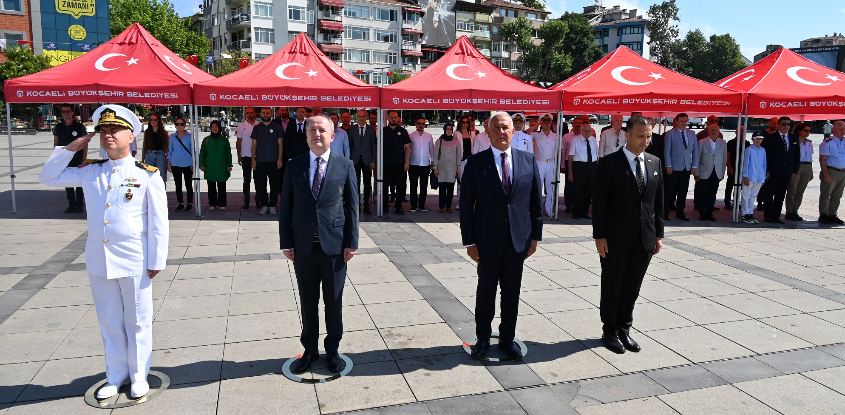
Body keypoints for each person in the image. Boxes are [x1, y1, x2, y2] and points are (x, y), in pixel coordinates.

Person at [39, 104, 168, 399]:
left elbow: (159, 222)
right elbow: (48, 177)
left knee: (137, 320)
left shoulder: (147, 175)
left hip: (135, 258)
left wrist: (157, 259)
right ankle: (116, 374)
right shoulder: (90, 171)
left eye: (114, 130)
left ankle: (138, 375)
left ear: (131, 137)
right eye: (103, 131)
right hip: (100, 259)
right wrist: (70, 147)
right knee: (109, 319)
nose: (107, 135)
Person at [460, 112, 543, 360]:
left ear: (514, 131)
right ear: (488, 133)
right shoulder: (476, 163)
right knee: (485, 292)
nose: (501, 132)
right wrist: (470, 240)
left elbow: (535, 202)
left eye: (505, 127)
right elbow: (466, 205)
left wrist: (535, 237)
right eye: (495, 128)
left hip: (518, 241)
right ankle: (483, 339)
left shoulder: (527, 160)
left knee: (511, 292)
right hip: (486, 241)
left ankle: (508, 338)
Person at [280, 115, 359, 374]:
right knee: (308, 301)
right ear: (305, 135)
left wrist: (351, 242)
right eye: (311, 129)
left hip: (335, 249)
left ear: (332, 136)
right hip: (303, 248)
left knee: (334, 302)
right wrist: (286, 241)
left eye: (322, 129)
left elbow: (352, 207)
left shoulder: (345, 165)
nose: (317, 133)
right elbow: (286, 207)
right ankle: (310, 350)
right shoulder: (294, 165)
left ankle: (333, 350)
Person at [592, 115, 663, 354]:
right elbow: (599, 203)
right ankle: (609, 331)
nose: (645, 140)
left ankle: (625, 328)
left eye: (649, 136)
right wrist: (599, 236)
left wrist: (658, 235)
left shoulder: (654, 162)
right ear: (628, 135)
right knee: (613, 286)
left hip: (644, 238)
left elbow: (657, 203)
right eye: (641, 136)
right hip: (615, 239)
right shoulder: (610, 163)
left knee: (632, 287)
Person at [761, 117, 800, 224]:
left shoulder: (794, 138)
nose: (786, 126)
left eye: (788, 124)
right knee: (769, 193)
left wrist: (794, 171)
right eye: (784, 124)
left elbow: (796, 156)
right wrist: (767, 170)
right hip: (773, 171)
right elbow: (765, 155)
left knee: (781, 194)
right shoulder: (770, 138)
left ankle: (776, 215)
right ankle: (768, 215)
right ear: (778, 125)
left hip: (787, 172)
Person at [53, 104, 88, 213]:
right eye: (63, 112)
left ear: (72, 112)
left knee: (78, 181)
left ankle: (80, 204)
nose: (65, 113)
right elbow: (56, 143)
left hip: (77, 157)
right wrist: (56, 157)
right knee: (67, 182)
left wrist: (84, 157)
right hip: (64, 158)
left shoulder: (79, 126)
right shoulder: (58, 127)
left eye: (67, 111)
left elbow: (85, 142)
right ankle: (71, 204)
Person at [663, 113, 698, 221]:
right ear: (676, 122)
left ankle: (680, 212)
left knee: (683, 191)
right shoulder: (670, 134)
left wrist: (694, 165)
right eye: (681, 121)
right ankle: (665, 212)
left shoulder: (692, 134)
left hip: (686, 167)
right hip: (673, 167)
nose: (684, 123)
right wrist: (668, 165)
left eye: (685, 121)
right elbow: (667, 150)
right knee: (669, 191)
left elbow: (695, 151)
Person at [252, 107, 284, 215]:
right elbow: (254, 145)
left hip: (274, 161)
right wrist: (253, 159)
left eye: (267, 113)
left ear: (271, 114)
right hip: (260, 161)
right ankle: (265, 205)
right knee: (261, 185)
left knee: (274, 185)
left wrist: (280, 159)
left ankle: (273, 205)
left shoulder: (277, 127)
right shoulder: (257, 128)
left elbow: (280, 145)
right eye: (264, 113)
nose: (265, 114)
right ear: (260, 114)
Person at [694, 124, 727, 221]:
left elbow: (724, 159)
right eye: (712, 130)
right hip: (704, 172)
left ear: (719, 132)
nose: (714, 132)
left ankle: (709, 212)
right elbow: (697, 158)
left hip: (716, 172)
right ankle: (702, 213)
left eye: (716, 130)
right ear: (708, 131)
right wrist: (696, 173)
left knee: (712, 194)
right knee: (703, 193)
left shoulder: (723, 143)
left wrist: (722, 173)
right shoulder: (701, 142)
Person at [200, 120, 232, 211]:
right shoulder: (206, 140)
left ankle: (222, 204)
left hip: (222, 166)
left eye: (216, 126)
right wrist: (202, 164)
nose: (214, 128)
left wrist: (229, 165)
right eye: (212, 126)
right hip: (210, 166)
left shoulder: (224, 140)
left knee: (222, 185)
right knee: (211, 186)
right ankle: (212, 204)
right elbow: (202, 153)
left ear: (219, 127)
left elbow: (228, 154)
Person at [383, 110, 411, 214]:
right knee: (385, 186)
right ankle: (384, 206)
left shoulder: (403, 131)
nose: (394, 119)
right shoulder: (383, 131)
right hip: (386, 164)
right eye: (392, 117)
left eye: (395, 117)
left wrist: (407, 162)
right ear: (388, 118)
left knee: (400, 186)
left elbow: (407, 147)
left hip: (400, 164)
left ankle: (398, 206)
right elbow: (378, 148)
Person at [568, 123, 598, 219]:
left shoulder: (593, 140)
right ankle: (575, 212)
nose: (588, 133)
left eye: (589, 131)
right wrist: (570, 172)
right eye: (586, 131)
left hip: (592, 165)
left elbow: (596, 155)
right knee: (577, 190)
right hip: (579, 166)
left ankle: (584, 211)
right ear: (581, 131)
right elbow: (571, 157)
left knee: (588, 190)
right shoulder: (575, 140)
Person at [349, 109, 377, 214]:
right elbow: (350, 145)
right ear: (357, 117)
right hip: (354, 159)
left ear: (366, 117)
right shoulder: (352, 129)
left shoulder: (371, 129)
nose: (361, 119)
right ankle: (355, 205)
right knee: (355, 183)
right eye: (359, 117)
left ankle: (366, 205)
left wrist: (373, 161)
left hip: (367, 160)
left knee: (367, 182)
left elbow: (373, 146)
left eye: (363, 116)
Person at [785, 122, 814, 221]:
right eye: (806, 130)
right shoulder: (794, 140)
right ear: (800, 130)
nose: (808, 132)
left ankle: (795, 211)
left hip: (807, 166)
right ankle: (789, 212)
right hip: (797, 166)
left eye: (809, 130)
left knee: (800, 191)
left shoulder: (809, 142)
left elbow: (810, 157)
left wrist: (811, 171)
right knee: (792, 189)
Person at [818, 121, 845, 225]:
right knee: (826, 193)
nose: (843, 131)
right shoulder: (828, 142)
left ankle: (832, 214)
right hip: (831, 171)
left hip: (842, 171)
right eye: (840, 129)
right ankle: (823, 214)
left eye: (844, 129)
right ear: (833, 130)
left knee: (837, 195)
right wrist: (826, 174)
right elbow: (822, 159)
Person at [532, 113, 558, 218]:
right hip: (540, 162)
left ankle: (548, 209)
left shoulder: (555, 135)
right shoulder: (536, 135)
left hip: (551, 162)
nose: (547, 124)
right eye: (545, 122)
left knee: (550, 187)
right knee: (538, 187)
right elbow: (524, 133)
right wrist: (537, 124)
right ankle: (537, 209)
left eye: (549, 122)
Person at [433, 122, 462, 213]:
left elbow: (458, 156)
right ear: (444, 130)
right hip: (442, 168)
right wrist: (435, 167)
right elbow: (436, 156)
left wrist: (458, 167)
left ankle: (448, 206)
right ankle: (442, 206)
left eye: (450, 129)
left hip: (452, 168)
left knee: (450, 189)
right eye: (447, 129)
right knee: (442, 188)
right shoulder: (439, 141)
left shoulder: (456, 141)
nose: (449, 131)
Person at [167, 118, 194, 212]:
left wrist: (193, 163)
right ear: (175, 125)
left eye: (181, 124)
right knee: (178, 184)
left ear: (185, 125)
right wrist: (168, 163)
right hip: (175, 163)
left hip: (187, 163)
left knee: (188, 184)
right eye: (177, 124)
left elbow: (193, 151)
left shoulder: (190, 136)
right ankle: (180, 203)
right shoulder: (172, 137)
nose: (179, 126)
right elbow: (170, 150)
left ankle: (189, 203)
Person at [235, 107, 260, 209]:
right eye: (247, 113)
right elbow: (238, 142)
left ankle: (258, 200)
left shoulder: (259, 125)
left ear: (255, 114)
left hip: (257, 157)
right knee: (246, 180)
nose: (249, 114)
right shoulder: (241, 126)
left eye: (251, 113)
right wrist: (239, 156)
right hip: (245, 156)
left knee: (258, 180)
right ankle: (246, 201)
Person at [741, 134, 768, 224]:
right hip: (750, 176)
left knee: (753, 196)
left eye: (760, 139)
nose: (758, 141)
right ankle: (745, 214)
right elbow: (745, 163)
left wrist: (763, 177)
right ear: (753, 139)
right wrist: (745, 176)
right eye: (757, 139)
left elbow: (764, 164)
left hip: (759, 177)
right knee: (746, 196)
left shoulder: (763, 150)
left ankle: (750, 212)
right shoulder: (748, 150)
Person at [409, 117, 434, 212]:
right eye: (419, 123)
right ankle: (413, 205)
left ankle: (422, 205)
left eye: (423, 124)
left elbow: (431, 149)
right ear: (415, 124)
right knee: (413, 185)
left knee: (424, 186)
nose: (421, 125)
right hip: (413, 164)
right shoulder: (411, 136)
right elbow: (407, 149)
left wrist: (432, 161)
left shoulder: (429, 136)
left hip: (425, 164)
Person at [755, 117, 780, 212]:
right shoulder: (762, 134)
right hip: (762, 162)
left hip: (774, 164)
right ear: (769, 123)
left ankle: (767, 203)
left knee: (771, 185)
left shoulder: (779, 135)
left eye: (777, 124)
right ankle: (760, 203)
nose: (775, 126)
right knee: (761, 183)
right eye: (773, 123)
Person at [724, 127, 749, 210]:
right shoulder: (731, 143)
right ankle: (727, 202)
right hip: (733, 167)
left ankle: (736, 201)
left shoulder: (747, 143)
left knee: (740, 186)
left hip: (743, 168)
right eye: (740, 131)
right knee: (730, 185)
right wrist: (729, 167)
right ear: (736, 132)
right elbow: (727, 156)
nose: (742, 133)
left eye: (743, 131)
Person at [141, 113, 168, 183]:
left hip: (160, 155)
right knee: (149, 176)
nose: (153, 121)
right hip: (149, 154)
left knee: (161, 176)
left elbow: (166, 147)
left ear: (158, 121)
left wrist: (168, 161)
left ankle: (161, 193)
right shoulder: (147, 132)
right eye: (151, 120)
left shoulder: (164, 132)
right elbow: (144, 146)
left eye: (155, 120)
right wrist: (142, 159)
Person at [456, 115, 476, 203]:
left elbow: (474, 147)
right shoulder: (456, 133)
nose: (465, 124)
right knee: (461, 181)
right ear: (460, 123)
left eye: (467, 122)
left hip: (470, 160)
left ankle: (468, 200)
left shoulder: (472, 134)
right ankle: (460, 200)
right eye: (463, 122)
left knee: (470, 182)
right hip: (460, 160)